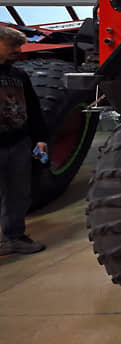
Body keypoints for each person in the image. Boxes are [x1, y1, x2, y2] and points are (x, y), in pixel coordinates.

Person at [0, 25, 48, 256]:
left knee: (18, 193)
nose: (18, 50)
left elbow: (34, 108)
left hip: (19, 143)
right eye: (13, 45)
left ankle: (14, 237)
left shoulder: (19, 75)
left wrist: (40, 139)